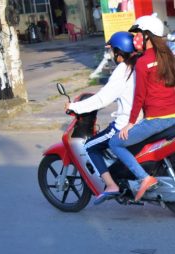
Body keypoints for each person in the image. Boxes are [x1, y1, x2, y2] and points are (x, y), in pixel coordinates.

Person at [108, 14, 175, 202]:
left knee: (115, 143)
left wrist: (130, 124)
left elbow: (139, 97)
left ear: (148, 35)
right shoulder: (167, 56)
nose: (135, 38)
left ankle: (144, 178)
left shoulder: (142, 62)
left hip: (156, 119)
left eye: (138, 33)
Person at [65, 32, 138, 204]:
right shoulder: (136, 66)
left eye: (113, 50)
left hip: (124, 123)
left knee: (90, 146)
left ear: (119, 51)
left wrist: (74, 107)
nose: (112, 54)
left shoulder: (122, 71)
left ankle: (111, 185)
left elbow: (101, 99)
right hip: (141, 121)